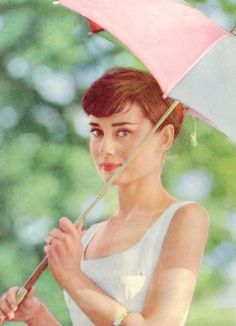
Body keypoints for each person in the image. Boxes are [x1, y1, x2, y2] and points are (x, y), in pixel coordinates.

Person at [0, 67, 209, 326]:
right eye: (97, 131)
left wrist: (73, 278)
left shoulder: (184, 218)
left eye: (123, 132)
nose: (105, 148)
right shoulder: (88, 237)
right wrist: (35, 315)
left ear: (164, 138)